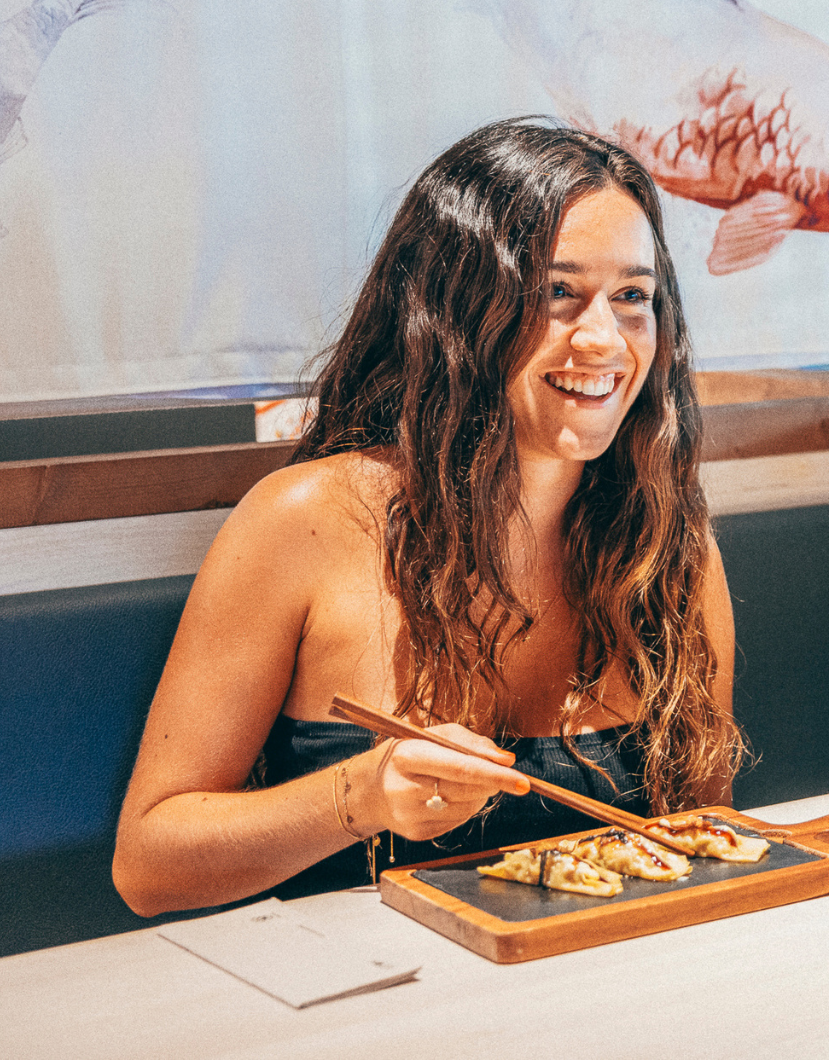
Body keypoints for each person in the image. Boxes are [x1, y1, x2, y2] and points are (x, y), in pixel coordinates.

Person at [112, 119, 743, 916]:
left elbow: (703, 840)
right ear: (456, 311)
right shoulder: (305, 520)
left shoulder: (667, 543)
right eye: (557, 292)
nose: (603, 339)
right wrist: (359, 795)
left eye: (632, 298)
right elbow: (148, 864)